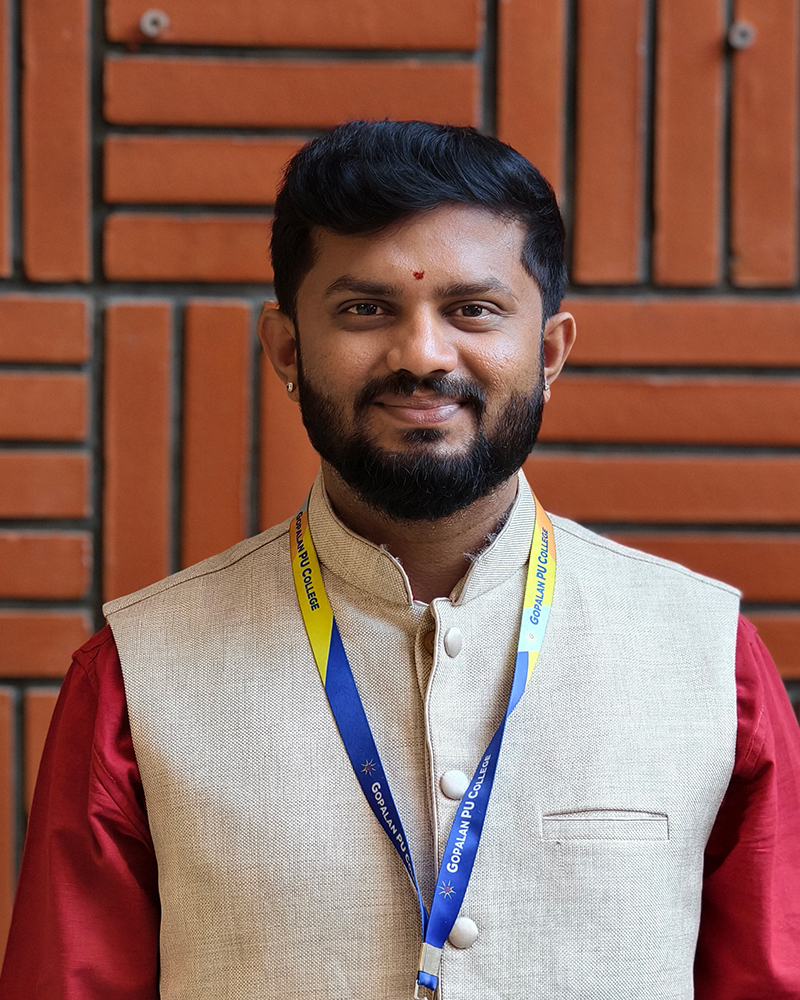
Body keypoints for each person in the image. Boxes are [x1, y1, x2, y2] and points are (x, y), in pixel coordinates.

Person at [2, 119, 799, 1000]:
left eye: (473, 310)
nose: (422, 355)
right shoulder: (138, 675)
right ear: (287, 350)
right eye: (365, 309)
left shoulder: (706, 660)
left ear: (549, 352)